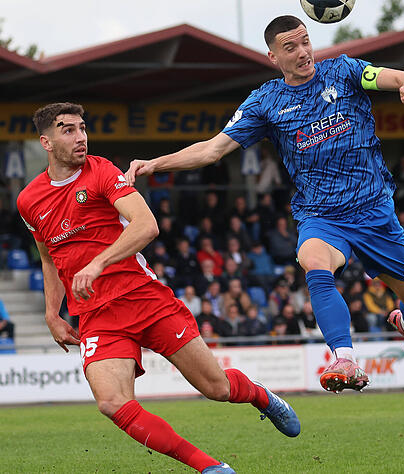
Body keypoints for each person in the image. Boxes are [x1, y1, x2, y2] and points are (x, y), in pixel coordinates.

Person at [126, 16, 404, 393]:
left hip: (375, 213)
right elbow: (212, 150)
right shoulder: (266, 101)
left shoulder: (343, 71)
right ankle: (345, 358)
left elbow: (386, 75)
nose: (303, 52)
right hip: (321, 216)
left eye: (306, 41)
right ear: (273, 56)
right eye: (291, 47)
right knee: (314, 262)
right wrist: (154, 163)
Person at [17, 103, 298, 474]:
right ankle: (209, 467)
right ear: (46, 142)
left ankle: (260, 396)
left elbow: (147, 225)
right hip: (97, 315)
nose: (80, 137)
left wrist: (98, 263)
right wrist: (52, 313)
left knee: (216, 389)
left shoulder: (102, 172)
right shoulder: (29, 200)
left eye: (82, 128)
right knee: (112, 403)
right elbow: (49, 259)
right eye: (67, 130)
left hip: (145, 299)